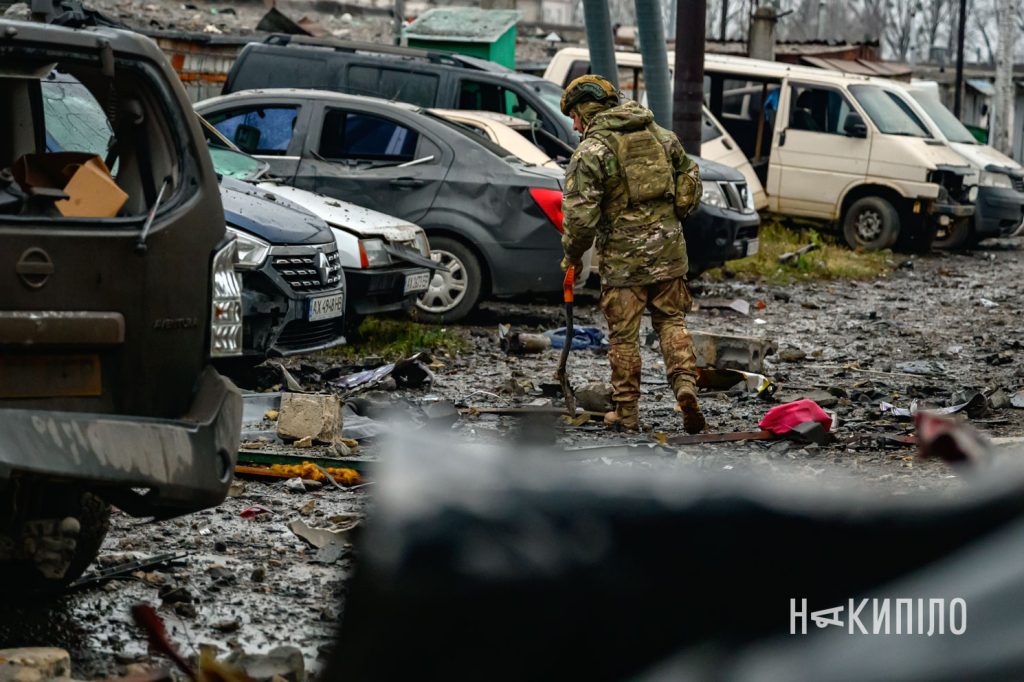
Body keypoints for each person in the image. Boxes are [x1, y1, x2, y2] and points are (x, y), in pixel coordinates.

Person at [559, 74, 706, 434]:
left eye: (575, 116)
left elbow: (580, 219)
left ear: (586, 111)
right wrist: (672, 217)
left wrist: (573, 258)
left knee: (624, 338)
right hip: (669, 251)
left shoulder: (592, 151)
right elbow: (690, 180)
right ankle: (685, 387)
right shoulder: (660, 135)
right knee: (671, 322)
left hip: (624, 263)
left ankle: (627, 413)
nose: (575, 125)